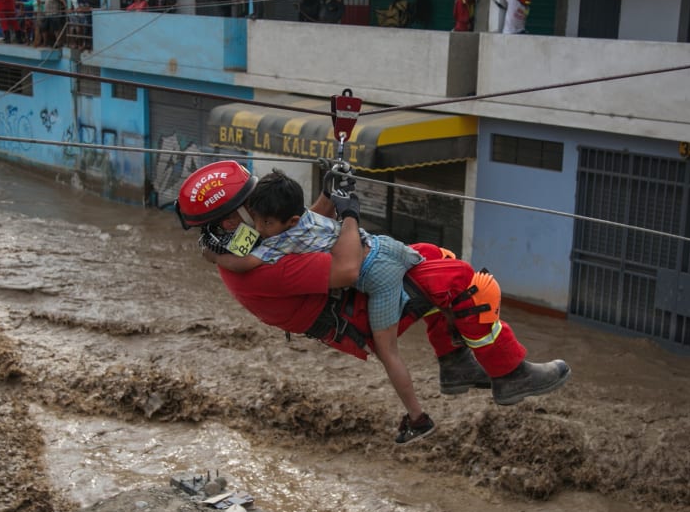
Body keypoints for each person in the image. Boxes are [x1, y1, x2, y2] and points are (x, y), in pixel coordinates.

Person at [176, 161, 571, 444]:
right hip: (354, 314)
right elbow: (347, 268)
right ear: (231, 221)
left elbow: (297, 226)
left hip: (352, 292)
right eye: (252, 206)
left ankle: (455, 364)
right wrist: (349, 212)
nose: (260, 209)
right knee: (468, 285)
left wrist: (329, 193)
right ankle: (509, 374)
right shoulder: (258, 271)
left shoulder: (251, 239)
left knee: (436, 255)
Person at [209, 168, 432, 442]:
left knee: (387, 353)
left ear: (288, 221)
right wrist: (331, 193)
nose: (259, 229)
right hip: (386, 245)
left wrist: (213, 255)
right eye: (256, 220)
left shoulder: (277, 243)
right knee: (440, 284)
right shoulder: (307, 216)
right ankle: (455, 345)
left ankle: (418, 418)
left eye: (264, 223)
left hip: (377, 273)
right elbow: (323, 209)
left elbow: (243, 263)